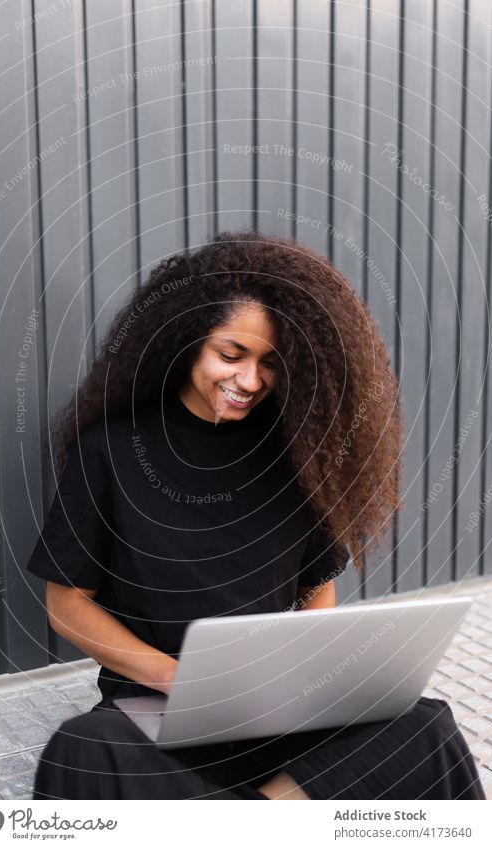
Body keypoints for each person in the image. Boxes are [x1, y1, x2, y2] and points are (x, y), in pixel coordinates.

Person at [26, 230, 485, 800]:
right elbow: (67, 606)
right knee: (86, 749)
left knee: (424, 725)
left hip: (275, 710)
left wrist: (316, 683)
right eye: (231, 354)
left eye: (270, 363)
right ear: (186, 341)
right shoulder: (110, 450)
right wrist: (180, 681)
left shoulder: (298, 455)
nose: (250, 381)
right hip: (159, 709)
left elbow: (315, 583)